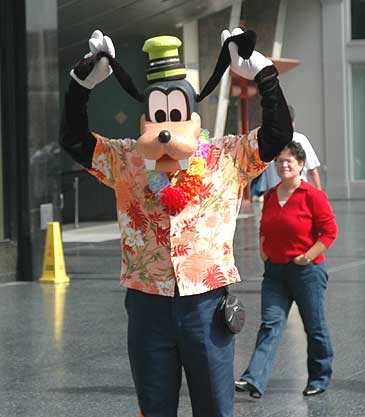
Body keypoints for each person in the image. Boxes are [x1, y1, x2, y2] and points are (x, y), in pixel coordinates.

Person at [59, 29, 293, 417]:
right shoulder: (127, 158)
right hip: (147, 303)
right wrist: (79, 86)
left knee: (215, 408)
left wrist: (264, 76)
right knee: (154, 408)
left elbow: (276, 134)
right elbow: (74, 140)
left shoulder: (225, 156)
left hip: (206, 303)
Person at [235, 141, 338, 399]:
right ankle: (253, 379)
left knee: (314, 325)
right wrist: (262, 249)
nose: (284, 165)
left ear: (301, 165)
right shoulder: (270, 195)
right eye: (280, 161)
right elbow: (264, 227)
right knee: (270, 324)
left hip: (307, 271)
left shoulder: (313, 195)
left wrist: (308, 256)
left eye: (290, 161)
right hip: (275, 273)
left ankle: (319, 377)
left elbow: (329, 232)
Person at [262, 105, 322, 190]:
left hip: (292, 193)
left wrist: (319, 197)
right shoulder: (300, 139)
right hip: (279, 194)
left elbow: (312, 171)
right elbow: (312, 172)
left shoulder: (300, 140)